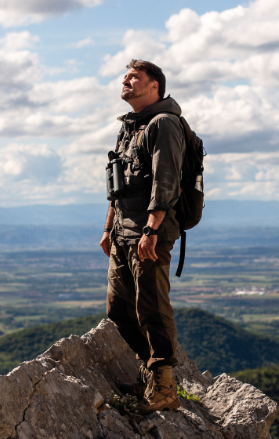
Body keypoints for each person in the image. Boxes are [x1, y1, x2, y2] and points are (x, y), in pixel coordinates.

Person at [101, 59, 185, 413]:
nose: (126, 80)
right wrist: (108, 228)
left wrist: (151, 229)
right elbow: (116, 186)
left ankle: (165, 388)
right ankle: (148, 376)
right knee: (119, 309)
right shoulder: (129, 128)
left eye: (134, 77)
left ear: (154, 87)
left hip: (149, 234)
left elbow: (166, 180)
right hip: (123, 233)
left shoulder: (164, 124)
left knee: (151, 307)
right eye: (125, 76)